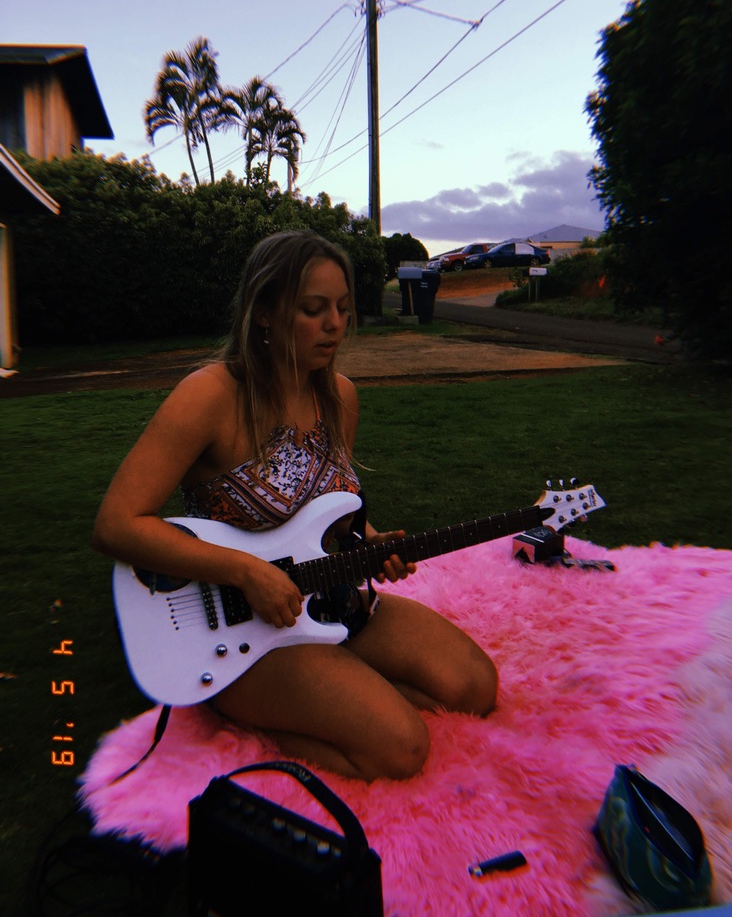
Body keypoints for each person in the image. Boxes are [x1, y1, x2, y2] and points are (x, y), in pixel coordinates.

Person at [93, 230, 498, 781]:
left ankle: (335, 680)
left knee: (472, 687)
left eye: (343, 308)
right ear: (264, 313)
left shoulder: (339, 396)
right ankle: (242, 707)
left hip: (328, 601)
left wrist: (369, 542)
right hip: (241, 631)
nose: (335, 324)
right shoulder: (210, 395)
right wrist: (246, 571)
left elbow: (329, 509)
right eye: (314, 309)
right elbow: (116, 524)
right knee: (400, 748)